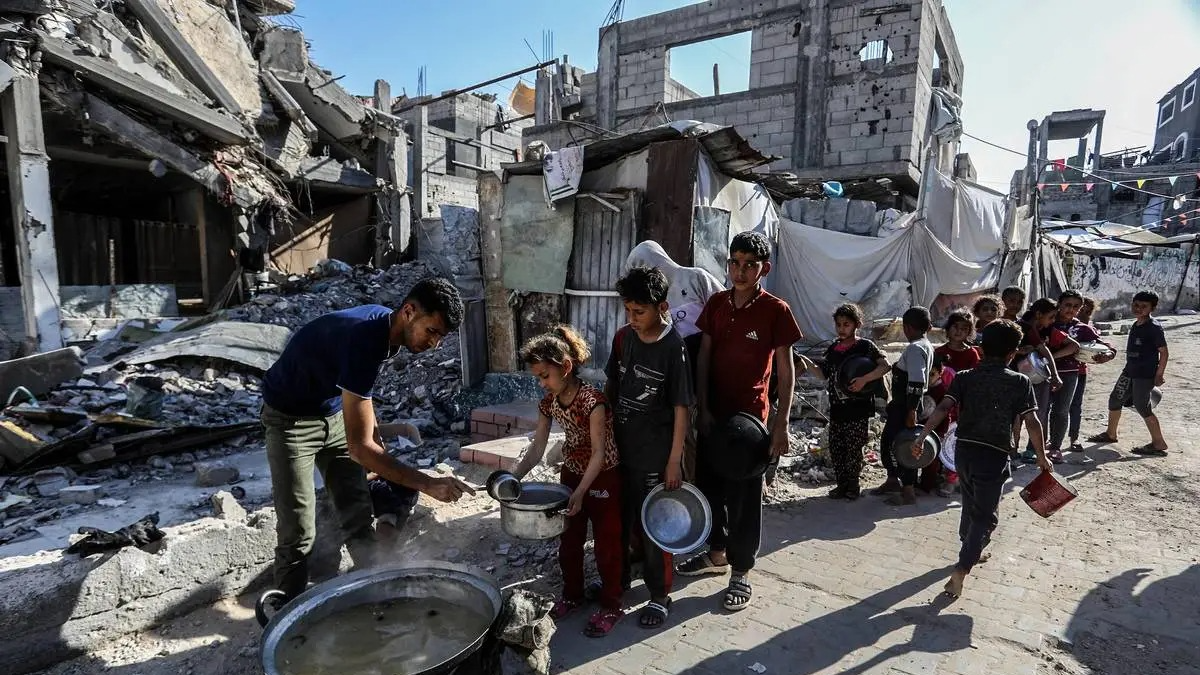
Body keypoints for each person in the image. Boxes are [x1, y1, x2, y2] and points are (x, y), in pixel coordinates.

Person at [260, 278, 473, 603]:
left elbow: (360, 396)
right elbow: (360, 450)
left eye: (440, 337)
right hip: (289, 420)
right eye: (431, 331)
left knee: (357, 513)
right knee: (298, 532)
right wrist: (427, 483)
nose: (434, 344)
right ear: (409, 311)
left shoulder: (388, 330)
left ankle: (376, 596)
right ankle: (286, 615)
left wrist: (376, 445)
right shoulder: (365, 338)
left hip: (332, 413)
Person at [676, 231, 803, 613]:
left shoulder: (776, 310)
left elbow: (786, 371)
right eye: (735, 262)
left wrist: (781, 424)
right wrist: (701, 406)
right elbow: (704, 355)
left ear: (765, 269)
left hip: (749, 423)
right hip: (713, 417)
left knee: (744, 499)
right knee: (709, 489)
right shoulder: (716, 303)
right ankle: (716, 554)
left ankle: (741, 570)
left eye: (750, 264)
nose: (741, 271)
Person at [911, 320, 1054, 599]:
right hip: (993, 455)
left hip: (964, 452)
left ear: (982, 348)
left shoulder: (965, 377)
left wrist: (921, 437)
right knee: (985, 516)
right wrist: (1042, 456)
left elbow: (942, 407)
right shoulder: (1019, 381)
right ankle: (962, 569)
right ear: (1012, 353)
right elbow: (1033, 422)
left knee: (969, 502)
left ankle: (971, 547)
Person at [509, 325, 625, 637]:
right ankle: (573, 595)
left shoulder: (592, 401)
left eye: (545, 376)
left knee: (607, 545)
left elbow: (599, 454)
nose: (541, 384)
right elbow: (537, 449)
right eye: (537, 377)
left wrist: (581, 492)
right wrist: (511, 479)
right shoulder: (549, 403)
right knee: (569, 541)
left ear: (566, 367)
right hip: (571, 473)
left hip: (603, 476)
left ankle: (612, 605)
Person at [604, 265, 693, 629]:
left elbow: (681, 408)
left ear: (662, 307)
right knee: (621, 521)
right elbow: (611, 387)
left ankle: (660, 594)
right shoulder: (623, 338)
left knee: (655, 525)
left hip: (655, 455)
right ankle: (620, 581)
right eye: (628, 310)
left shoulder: (673, 347)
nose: (632, 318)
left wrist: (674, 460)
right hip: (621, 450)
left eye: (639, 311)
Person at [796, 303, 890, 500]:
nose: (841, 328)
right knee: (837, 448)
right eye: (838, 324)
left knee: (853, 449)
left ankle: (853, 486)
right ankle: (841, 485)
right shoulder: (833, 349)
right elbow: (823, 375)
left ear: (857, 325)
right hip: (837, 408)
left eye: (846, 324)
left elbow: (885, 366)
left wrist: (864, 379)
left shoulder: (865, 347)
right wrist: (806, 362)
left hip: (858, 408)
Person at [1088, 291, 1170, 456]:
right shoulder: (1136, 324)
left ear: (1152, 308)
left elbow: (1164, 352)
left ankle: (1159, 443)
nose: (1138, 308)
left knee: (1142, 406)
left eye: (1144, 306)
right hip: (1129, 371)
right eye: (1136, 305)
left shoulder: (1153, 328)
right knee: (1115, 399)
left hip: (1144, 375)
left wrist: (1159, 374)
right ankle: (1111, 434)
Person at [872, 307, 934, 506]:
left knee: (903, 445)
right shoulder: (926, 345)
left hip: (906, 406)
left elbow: (916, 381)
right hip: (906, 405)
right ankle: (892, 481)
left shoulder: (915, 348)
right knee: (892, 442)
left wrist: (911, 411)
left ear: (907, 328)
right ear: (929, 327)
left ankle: (908, 491)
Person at [1050, 291, 1115, 463]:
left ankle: (1056, 447)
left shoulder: (1082, 329)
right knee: (1041, 410)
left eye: (1076, 306)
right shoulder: (1048, 322)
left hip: (1070, 374)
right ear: (1059, 304)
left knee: (1062, 410)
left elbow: (1106, 346)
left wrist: (1107, 355)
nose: (1071, 309)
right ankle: (1036, 446)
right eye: (1067, 305)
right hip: (1043, 373)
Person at [1012, 298, 1074, 464]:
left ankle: (1023, 450)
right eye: (1051, 317)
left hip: (1030, 376)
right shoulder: (1026, 327)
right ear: (1039, 314)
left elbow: (1051, 349)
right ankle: (1018, 451)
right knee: (1026, 415)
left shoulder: (1039, 329)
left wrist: (1054, 373)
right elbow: (1043, 351)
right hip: (1022, 377)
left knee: (1028, 415)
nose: (1053, 321)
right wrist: (1054, 374)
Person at [933, 310, 981, 496]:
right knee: (942, 437)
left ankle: (952, 479)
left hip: (962, 405)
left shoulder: (971, 354)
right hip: (941, 404)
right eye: (955, 326)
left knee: (955, 440)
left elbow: (975, 380)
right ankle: (939, 474)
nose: (959, 331)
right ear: (948, 328)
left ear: (969, 332)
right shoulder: (939, 352)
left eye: (964, 328)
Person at [1067, 297, 1111, 455]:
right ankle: (1052, 439)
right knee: (1056, 408)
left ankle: (1074, 438)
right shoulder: (1063, 325)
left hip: (1079, 373)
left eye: (1087, 312)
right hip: (1059, 372)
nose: (1083, 315)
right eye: (1081, 311)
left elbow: (1105, 346)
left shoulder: (1086, 329)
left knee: (1075, 406)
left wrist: (1108, 354)